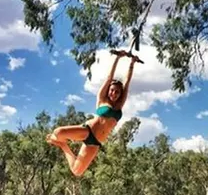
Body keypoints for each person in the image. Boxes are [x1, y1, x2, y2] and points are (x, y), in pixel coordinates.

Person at [46, 49, 139, 177]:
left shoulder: (119, 106)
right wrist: (118, 58)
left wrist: (132, 63)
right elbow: (109, 78)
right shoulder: (102, 99)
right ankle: (61, 139)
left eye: (117, 92)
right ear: (108, 90)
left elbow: (127, 83)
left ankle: (63, 145)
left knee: (77, 171)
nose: (114, 93)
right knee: (58, 132)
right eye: (112, 90)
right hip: (88, 130)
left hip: (95, 142)